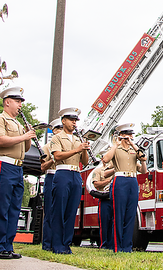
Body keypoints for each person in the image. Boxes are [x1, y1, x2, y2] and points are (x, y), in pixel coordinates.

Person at [0, 86, 34, 259]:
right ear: (7, 102)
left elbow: (26, 148)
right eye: (17, 101)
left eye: (20, 101)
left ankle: (8, 245)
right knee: (2, 207)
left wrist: (28, 135)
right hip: (4, 164)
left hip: (17, 167)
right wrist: (23, 136)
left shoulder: (19, 124)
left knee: (14, 209)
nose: (20, 105)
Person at [102, 123, 148, 252]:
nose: (130, 137)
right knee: (119, 214)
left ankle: (127, 246)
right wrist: (115, 144)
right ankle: (117, 245)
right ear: (121, 135)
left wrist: (133, 145)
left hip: (132, 181)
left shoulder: (134, 150)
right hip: (120, 180)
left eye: (131, 135)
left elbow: (143, 167)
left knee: (130, 215)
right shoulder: (116, 149)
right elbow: (105, 159)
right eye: (128, 135)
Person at [49, 107, 88, 254]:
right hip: (63, 172)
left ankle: (66, 244)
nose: (74, 123)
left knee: (72, 211)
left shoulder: (78, 139)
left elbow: (85, 162)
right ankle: (57, 245)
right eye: (71, 120)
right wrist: (77, 150)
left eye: (75, 120)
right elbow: (57, 156)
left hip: (76, 174)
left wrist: (84, 149)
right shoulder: (57, 138)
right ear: (63, 121)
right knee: (59, 209)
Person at [40, 118, 60, 252]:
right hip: (51, 176)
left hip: (64, 176)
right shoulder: (47, 147)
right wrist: (53, 159)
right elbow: (42, 167)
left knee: (61, 211)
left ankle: (59, 242)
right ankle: (47, 243)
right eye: (58, 129)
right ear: (54, 131)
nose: (60, 131)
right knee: (49, 211)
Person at [92, 161, 115, 250]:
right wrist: (108, 181)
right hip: (105, 199)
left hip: (115, 199)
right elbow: (96, 184)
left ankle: (113, 245)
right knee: (104, 224)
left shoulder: (118, 169)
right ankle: (104, 245)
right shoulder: (98, 170)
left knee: (115, 223)